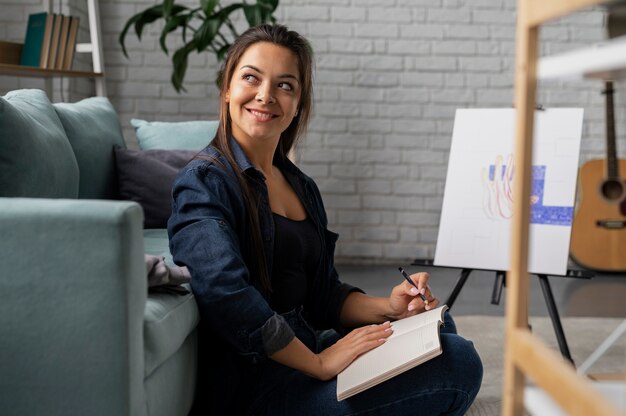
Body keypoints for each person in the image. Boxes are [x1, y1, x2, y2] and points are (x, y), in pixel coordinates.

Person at [168, 23, 483, 415]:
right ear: (228, 88)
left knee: (436, 328)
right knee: (458, 360)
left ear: (298, 103)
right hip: (260, 385)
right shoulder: (203, 182)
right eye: (251, 78)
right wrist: (321, 363)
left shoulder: (299, 185)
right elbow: (224, 292)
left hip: (310, 347)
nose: (265, 96)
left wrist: (392, 308)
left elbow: (322, 294)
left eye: (285, 85)